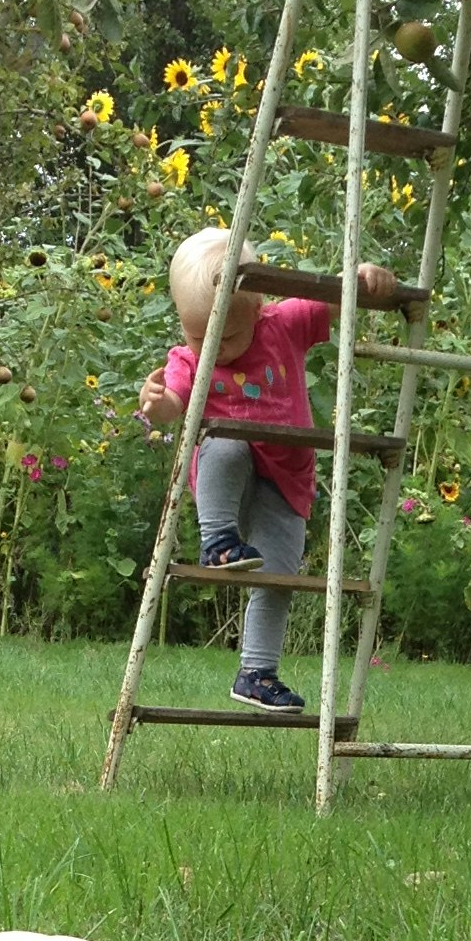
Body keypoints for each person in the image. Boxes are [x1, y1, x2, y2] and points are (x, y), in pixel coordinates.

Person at [137, 226, 400, 714]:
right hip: (226, 481)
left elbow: (333, 301)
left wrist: (361, 278)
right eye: (198, 336)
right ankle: (218, 540)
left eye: (227, 336)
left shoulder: (285, 324)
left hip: (287, 477)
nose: (213, 348)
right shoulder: (187, 359)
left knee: (279, 578)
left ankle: (256, 674)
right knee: (225, 441)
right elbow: (173, 402)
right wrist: (156, 404)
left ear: (258, 307)